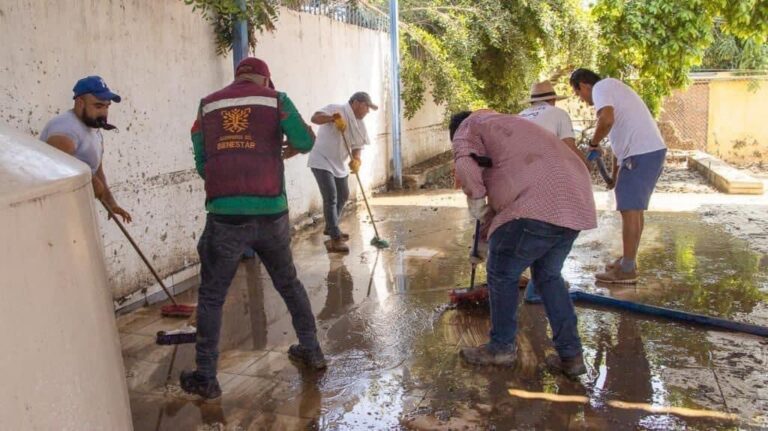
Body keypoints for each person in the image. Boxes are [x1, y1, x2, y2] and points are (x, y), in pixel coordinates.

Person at [181, 57, 325, 400]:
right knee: (288, 283)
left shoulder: (207, 105)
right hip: (271, 210)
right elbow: (305, 141)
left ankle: (206, 377)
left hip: (224, 215)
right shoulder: (277, 100)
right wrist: (281, 152)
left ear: (238, 76)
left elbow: (202, 160)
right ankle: (312, 350)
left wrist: (229, 182)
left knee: (213, 296)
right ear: (266, 78)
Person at [450, 109, 597, 377]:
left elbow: (466, 165)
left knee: (501, 273)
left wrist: (475, 201)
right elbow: (502, 198)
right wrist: (483, 235)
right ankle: (571, 356)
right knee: (548, 276)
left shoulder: (468, 126)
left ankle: (501, 347)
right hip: (576, 201)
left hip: (536, 205)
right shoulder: (508, 126)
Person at [570, 69, 667, 284]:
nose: (583, 100)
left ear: (584, 85)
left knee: (630, 211)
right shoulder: (613, 90)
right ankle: (627, 261)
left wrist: (593, 144)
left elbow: (606, 120)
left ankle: (628, 270)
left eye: (578, 94)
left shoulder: (602, 88)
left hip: (641, 152)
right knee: (634, 211)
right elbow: (617, 141)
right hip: (645, 152)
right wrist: (615, 176)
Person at [519, 80, 588, 304]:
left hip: (519, 180)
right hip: (547, 179)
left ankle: (540, 278)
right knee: (560, 226)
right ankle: (544, 281)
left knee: (534, 227)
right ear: (552, 99)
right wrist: (585, 167)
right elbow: (569, 149)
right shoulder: (558, 115)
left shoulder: (520, 116)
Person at [40, 75, 131, 223]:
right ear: (80, 103)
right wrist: (92, 181)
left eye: (107, 106)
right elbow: (55, 171)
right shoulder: (65, 130)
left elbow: (97, 171)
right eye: (98, 106)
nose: (104, 113)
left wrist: (111, 204)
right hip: (55, 211)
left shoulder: (92, 127)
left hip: (74, 208)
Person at [308, 92, 378, 253]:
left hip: (338, 163)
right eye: (367, 106)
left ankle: (331, 227)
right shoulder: (336, 109)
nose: (368, 111)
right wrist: (333, 118)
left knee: (343, 194)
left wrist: (356, 160)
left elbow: (357, 147)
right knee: (331, 196)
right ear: (356, 103)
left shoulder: (360, 124)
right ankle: (335, 237)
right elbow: (315, 117)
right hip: (321, 159)